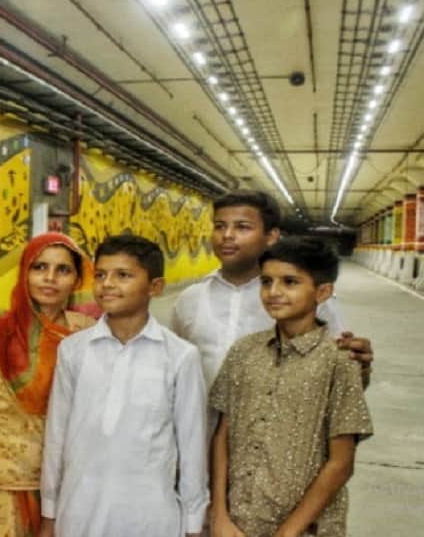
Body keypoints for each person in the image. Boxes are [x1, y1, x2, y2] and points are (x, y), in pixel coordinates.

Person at [41, 236, 208, 537]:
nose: (107, 284)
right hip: (79, 511)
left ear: (155, 287)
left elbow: (192, 447)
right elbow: (57, 436)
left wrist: (194, 524)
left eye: (123, 275)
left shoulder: (180, 357)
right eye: (101, 275)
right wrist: (49, 511)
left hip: (149, 516)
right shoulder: (73, 350)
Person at [209, 237, 373, 537]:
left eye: (290, 282)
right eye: (267, 282)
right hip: (237, 523)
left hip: (306, 528)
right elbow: (223, 436)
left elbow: (341, 463)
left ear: (322, 292)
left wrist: (287, 532)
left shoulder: (340, 361)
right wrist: (219, 513)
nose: (274, 292)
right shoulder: (244, 352)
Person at [0, 232, 98, 536]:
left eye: (63, 270)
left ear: (77, 279)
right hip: (1, 480)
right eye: (39, 267)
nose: (50, 278)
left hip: (66, 479)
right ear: (25, 272)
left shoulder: (87, 334)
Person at [170, 190, 374, 396]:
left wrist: (361, 369)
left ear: (271, 237)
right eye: (219, 226)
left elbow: (342, 377)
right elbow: (175, 371)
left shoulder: (308, 300)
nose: (227, 235)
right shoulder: (190, 300)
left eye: (242, 227)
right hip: (203, 426)